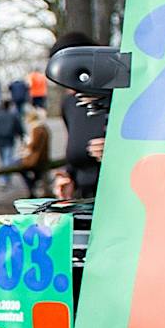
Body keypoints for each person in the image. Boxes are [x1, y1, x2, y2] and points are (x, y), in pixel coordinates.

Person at [50, 30, 106, 202]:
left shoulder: (123, 98)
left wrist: (117, 152)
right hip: (84, 207)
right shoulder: (70, 104)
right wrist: (67, 178)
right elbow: (76, 156)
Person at [0, 97, 24, 187]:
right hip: (8, 138)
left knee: (3, 159)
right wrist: (22, 137)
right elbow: (19, 128)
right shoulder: (13, 116)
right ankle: (5, 178)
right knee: (7, 159)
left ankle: (4, 178)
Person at [18, 103, 52, 197]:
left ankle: (32, 188)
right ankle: (34, 185)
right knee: (38, 175)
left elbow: (34, 146)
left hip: (37, 158)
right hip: (42, 157)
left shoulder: (36, 129)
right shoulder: (43, 128)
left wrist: (27, 144)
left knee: (19, 166)